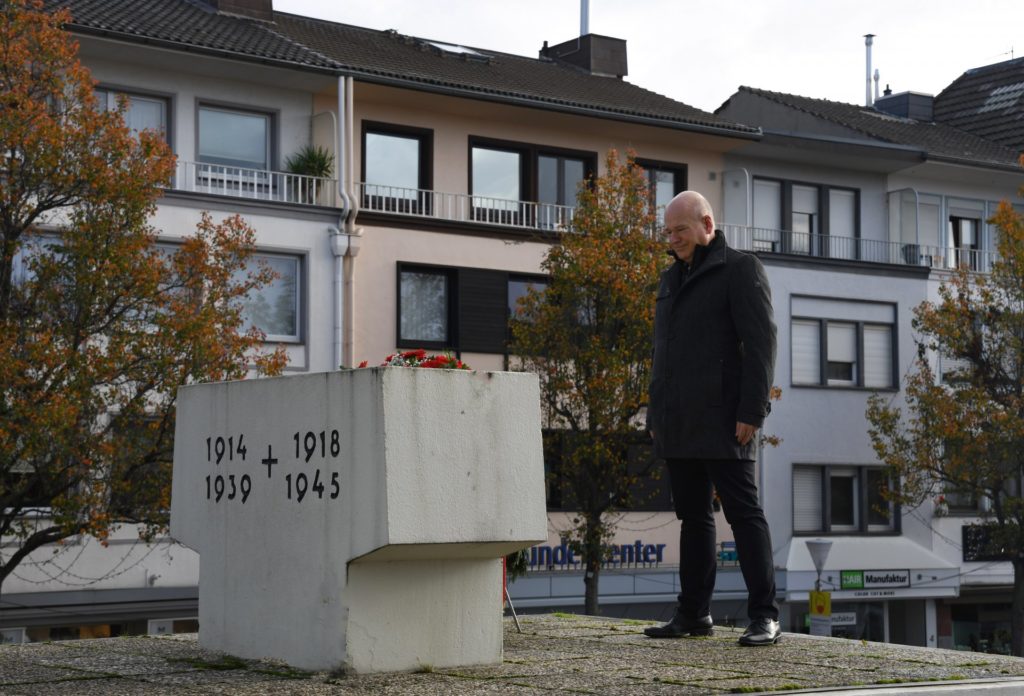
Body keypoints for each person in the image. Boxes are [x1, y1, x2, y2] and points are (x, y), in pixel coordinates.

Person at [643, 190, 780, 647]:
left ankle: (765, 616)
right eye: (668, 232)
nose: (673, 239)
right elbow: (664, 352)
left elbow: (761, 345)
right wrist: (656, 412)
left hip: (727, 419)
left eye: (680, 230)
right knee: (693, 518)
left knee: (744, 514)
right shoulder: (669, 277)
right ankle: (693, 614)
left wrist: (752, 411)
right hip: (677, 419)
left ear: (706, 224)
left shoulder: (740, 269)